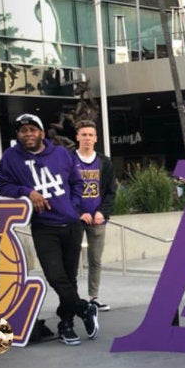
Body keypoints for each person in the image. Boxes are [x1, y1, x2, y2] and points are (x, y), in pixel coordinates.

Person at [0, 113, 98, 346]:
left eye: (32, 129)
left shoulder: (61, 153)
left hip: (72, 225)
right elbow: (2, 184)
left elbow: (76, 182)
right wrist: (27, 192)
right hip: (44, 227)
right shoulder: (10, 157)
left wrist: (74, 206)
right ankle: (84, 308)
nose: (28, 134)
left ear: (42, 132)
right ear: (18, 135)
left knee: (69, 279)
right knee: (56, 277)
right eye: (23, 131)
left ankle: (66, 325)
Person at [72, 119, 116, 312]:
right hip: (75, 219)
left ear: (96, 138)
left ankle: (94, 297)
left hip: (98, 219)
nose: (87, 139)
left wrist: (102, 212)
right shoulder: (69, 160)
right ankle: (71, 299)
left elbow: (111, 192)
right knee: (71, 260)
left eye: (90, 135)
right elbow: (64, 191)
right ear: (77, 137)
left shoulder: (104, 162)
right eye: (84, 135)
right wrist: (79, 213)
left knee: (95, 260)